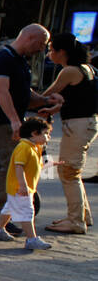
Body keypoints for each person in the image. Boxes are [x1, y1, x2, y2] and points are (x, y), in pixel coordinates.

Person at [0, 23, 60, 226]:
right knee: (11, 165)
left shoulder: (17, 60)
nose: (42, 49)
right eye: (42, 43)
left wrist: (45, 100)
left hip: (1, 120)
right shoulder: (3, 58)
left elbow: (23, 93)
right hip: (0, 121)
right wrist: (15, 121)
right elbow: (2, 91)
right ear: (30, 38)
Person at [39, 32, 97, 233]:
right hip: (85, 123)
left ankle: (76, 222)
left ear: (61, 52)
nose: (48, 54)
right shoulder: (87, 68)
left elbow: (45, 95)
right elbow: (77, 98)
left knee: (68, 171)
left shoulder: (69, 71)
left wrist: (29, 98)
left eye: (51, 50)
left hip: (78, 125)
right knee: (73, 172)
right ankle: (82, 216)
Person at [0, 116, 52, 250]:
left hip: (20, 187)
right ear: (34, 133)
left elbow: (33, 166)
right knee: (27, 211)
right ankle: (31, 239)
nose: (48, 137)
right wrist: (23, 185)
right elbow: (19, 166)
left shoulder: (33, 147)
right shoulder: (24, 147)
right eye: (45, 133)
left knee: (10, 207)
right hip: (20, 188)